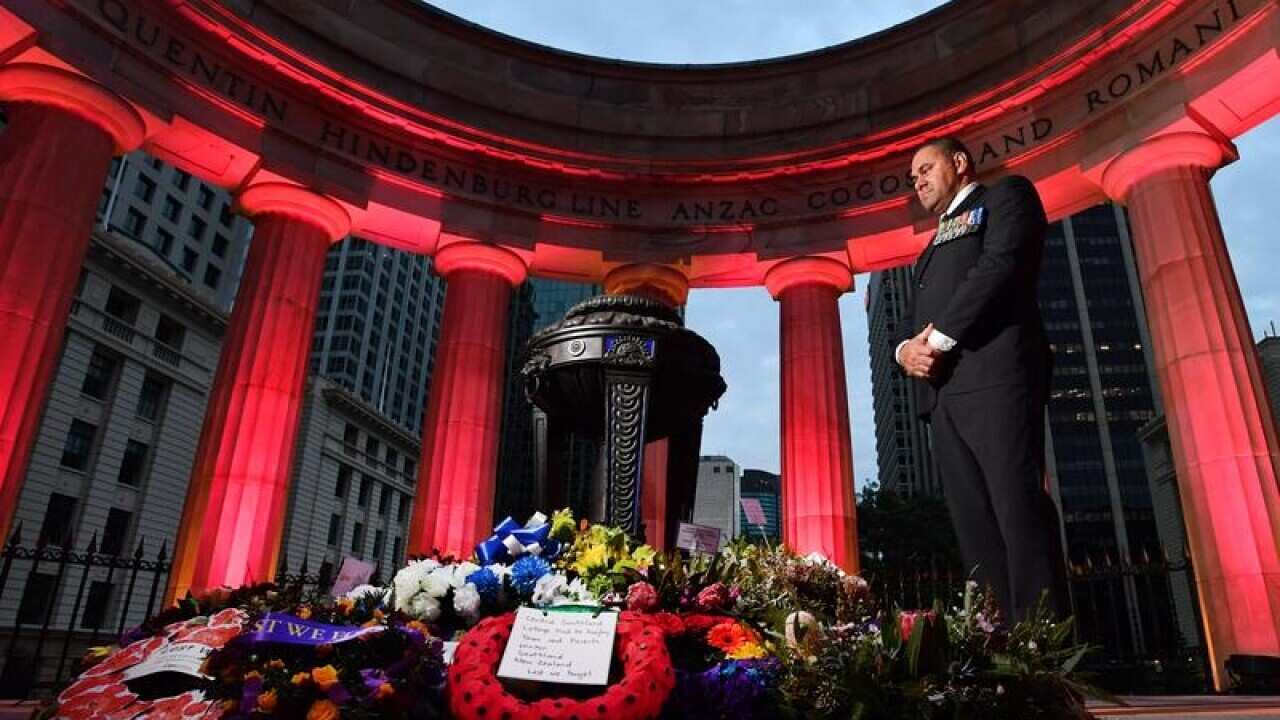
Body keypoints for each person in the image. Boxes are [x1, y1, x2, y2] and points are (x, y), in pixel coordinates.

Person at [896, 137, 1066, 622]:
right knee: (974, 525)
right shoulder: (929, 248)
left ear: (959, 162)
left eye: (925, 169)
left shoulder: (1006, 196)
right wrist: (905, 350)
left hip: (996, 376)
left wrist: (939, 340)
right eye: (913, 178)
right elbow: (910, 319)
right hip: (942, 393)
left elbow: (1000, 266)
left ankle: (1044, 651)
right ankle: (998, 646)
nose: (918, 181)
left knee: (1017, 507)